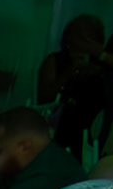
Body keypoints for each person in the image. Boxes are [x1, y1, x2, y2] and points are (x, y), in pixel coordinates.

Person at [39, 14, 108, 154]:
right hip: (59, 121)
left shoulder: (103, 65)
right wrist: (68, 74)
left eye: (86, 38)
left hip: (92, 126)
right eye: (77, 37)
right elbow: (45, 96)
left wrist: (99, 73)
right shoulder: (55, 60)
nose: (80, 44)